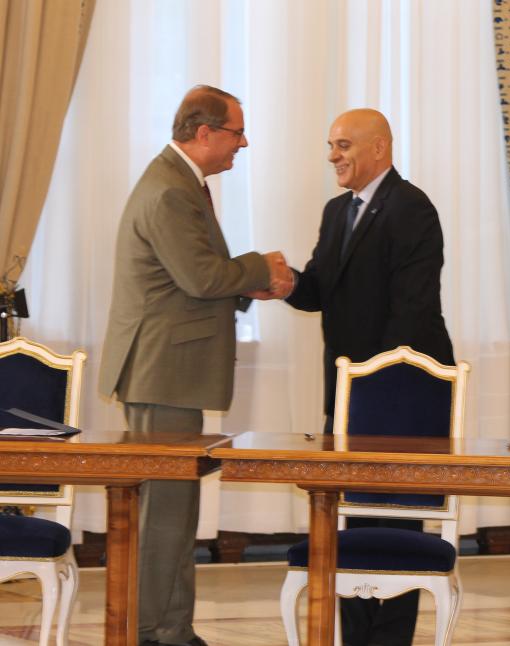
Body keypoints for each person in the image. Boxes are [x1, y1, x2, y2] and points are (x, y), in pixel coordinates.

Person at [99, 85, 292, 646]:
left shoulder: (180, 182)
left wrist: (247, 285)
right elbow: (201, 277)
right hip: (163, 372)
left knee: (175, 511)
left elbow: (187, 279)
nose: (244, 143)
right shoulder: (169, 190)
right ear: (204, 132)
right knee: (166, 512)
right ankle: (151, 632)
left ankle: (172, 628)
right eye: (237, 132)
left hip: (168, 370)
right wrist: (261, 266)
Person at [283, 108, 453, 646]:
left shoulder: (412, 207)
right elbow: (320, 290)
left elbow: (412, 312)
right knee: (351, 524)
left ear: (379, 147)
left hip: (400, 398)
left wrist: (371, 388)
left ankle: (390, 640)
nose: (332, 156)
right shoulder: (337, 211)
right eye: (331, 145)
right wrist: (284, 283)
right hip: (348, 393)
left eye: (343, 145)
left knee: (396, 525)